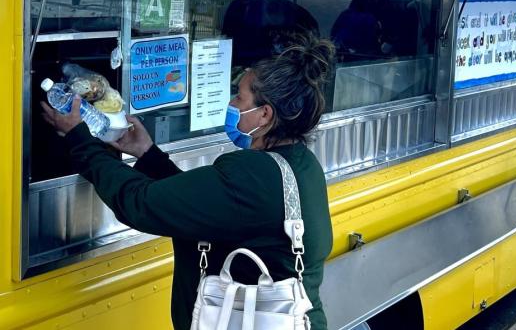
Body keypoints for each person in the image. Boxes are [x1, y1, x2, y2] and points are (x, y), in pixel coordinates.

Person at [40, 35, 335, 330]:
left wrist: (81, 138)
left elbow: (140, 204)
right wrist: (147, 154)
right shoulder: (301, 164)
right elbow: (205, 205)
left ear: (265, 114)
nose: (231, 103)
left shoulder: (252, 173)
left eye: (239, 97)